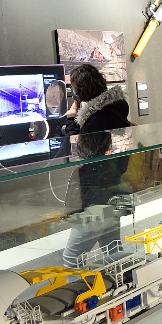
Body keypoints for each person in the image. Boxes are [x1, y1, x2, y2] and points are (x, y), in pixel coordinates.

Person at [61, 64, 131, 268]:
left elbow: (82, 154)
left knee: (71, 261)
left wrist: (71, 127)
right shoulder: (115, 111)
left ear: (79, 91)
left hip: (95, 199)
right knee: (113, 253)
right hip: (112, 192)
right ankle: (124, 289)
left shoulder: (97, 120)